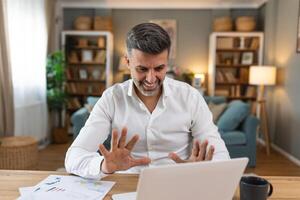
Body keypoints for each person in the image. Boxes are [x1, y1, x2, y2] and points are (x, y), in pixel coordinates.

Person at [65, 23, 230, 179]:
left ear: (167, 63)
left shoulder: (190, 97)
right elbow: (73, 158)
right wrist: (104, 165)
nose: (151, 79)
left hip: (179, 183)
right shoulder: (112, 98)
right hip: (127, 186)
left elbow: (221, 156)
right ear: (128, 62)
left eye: (159, 68)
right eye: (142, 69)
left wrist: (201, 169)